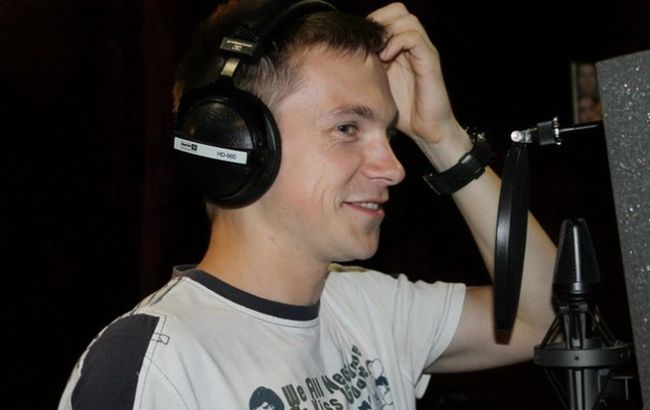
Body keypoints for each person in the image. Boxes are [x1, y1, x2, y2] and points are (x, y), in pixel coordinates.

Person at [58, 1, 557, 409]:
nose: (394, 168)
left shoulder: (370, 308)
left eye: (387, 134)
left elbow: (551, 318)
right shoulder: (156, 366)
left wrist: (441, 137)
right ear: (238, 141)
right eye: (347, 128)